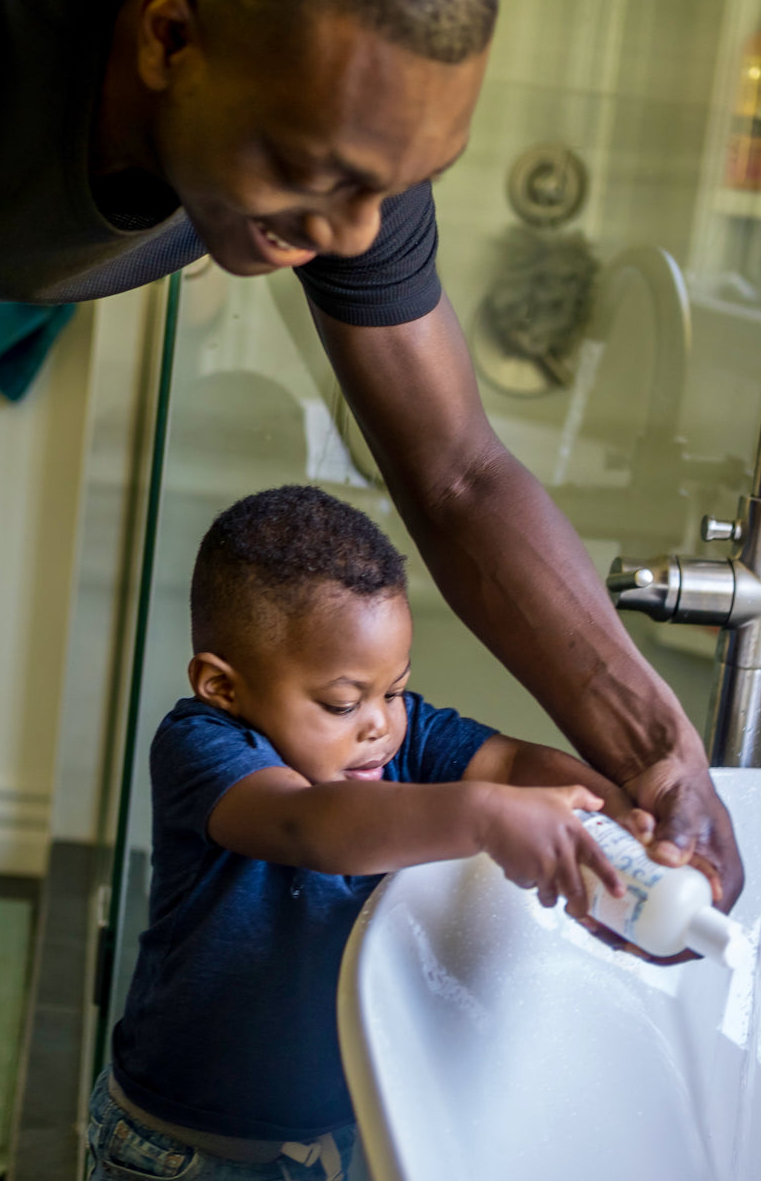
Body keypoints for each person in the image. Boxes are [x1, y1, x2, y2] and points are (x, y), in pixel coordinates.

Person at [0, 0, 742, 1169]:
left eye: (392, 187)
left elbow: (458, 471)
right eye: (319, 175)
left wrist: (658, 754)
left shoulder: (343, 130)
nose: (355, 236)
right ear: (166, 35)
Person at [92, 485, 660, 1181]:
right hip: (182, 1150)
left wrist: (614, 813)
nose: (379, 725)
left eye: (394, 690)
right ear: (223, 686)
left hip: (322, 1146)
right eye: (341, 703)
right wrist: (484, 815)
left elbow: (511, 762)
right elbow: (308, 825)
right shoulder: (201, 746)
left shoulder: (398, 735)